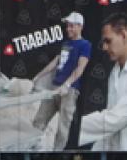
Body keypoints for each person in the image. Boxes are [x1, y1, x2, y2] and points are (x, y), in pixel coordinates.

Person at [78, 13, 127, 151]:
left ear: (124, 35)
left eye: (108, 41)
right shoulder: (115, 70)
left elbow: (116, 119)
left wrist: (72, 128)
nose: (104, 47)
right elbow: (110, 119)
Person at [32, 11, 91, 150]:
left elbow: (81, 67)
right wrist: (38, 76)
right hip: (54, 88)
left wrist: (67, 84)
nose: (68, 29)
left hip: (69, 91)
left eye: (71, 26)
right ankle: (32, 150)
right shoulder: (66, 43)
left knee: (63, 127)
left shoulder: (85, 45)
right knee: (39, 120)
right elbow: (55, 62)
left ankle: (56, 154)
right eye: (67, 26)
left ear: (80, 26)